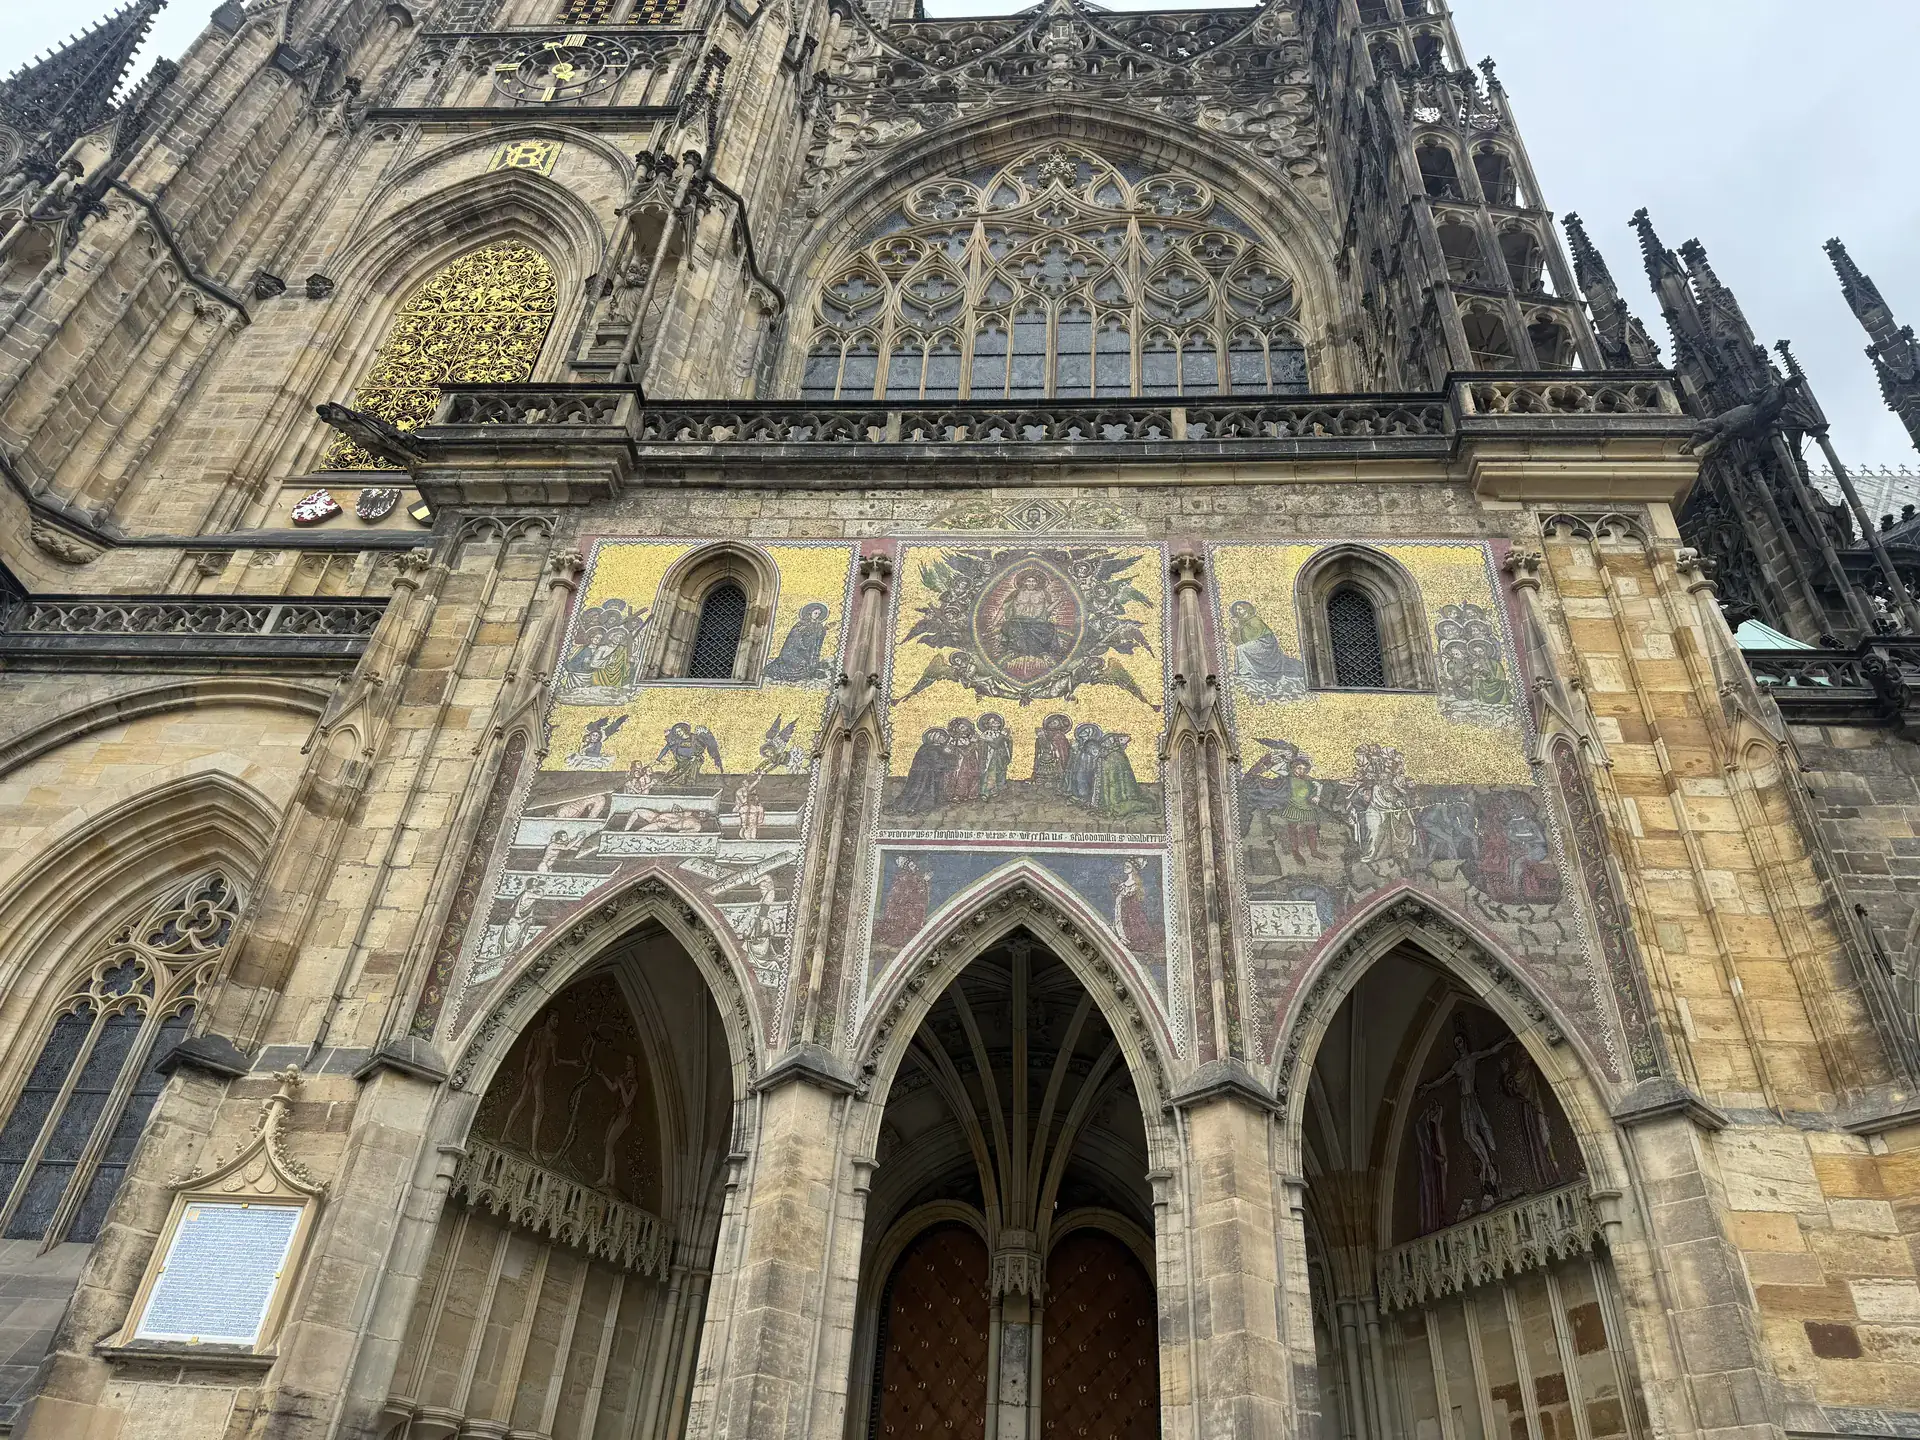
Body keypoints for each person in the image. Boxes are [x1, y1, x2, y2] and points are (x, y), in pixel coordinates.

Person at [1227, 600, 1307, 700]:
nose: (1238, 611)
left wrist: (1239, 627)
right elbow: (1239, 640)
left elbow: (1252, 637)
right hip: (1258, 644)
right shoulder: (1243, 623)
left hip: (1265, 644)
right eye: (1236, 610)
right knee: (1241, 648)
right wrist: (1236, 628)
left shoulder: (1254, 620)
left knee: (1241, 649)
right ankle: (1247, 672)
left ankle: (1246, 672)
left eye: (1240, 609)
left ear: (1246, 609)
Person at [998, 570, 1067, 661]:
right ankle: (1013, 652)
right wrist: (994, 622)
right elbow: (1004, 608)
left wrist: (1058, 601)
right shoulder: (1016, 593)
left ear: (1037, 583)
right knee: (1013, 628)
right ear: (1024, 582)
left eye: (1033, 581)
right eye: (1029, 581)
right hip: (1017, 620)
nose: (1031, 583)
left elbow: (1047, 610)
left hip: (1037, 622)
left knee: (1047, 628)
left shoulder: (1043, 593)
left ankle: (1043, 653)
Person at [763, 602, 833, 682]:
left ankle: (811, 669)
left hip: (807, 653)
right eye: (815, 613)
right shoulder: (801, 625)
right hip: (793, 653)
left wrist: (825, 629)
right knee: (801, 667)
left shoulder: (818, 626)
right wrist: (805, 642)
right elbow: (793, 639)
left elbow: (818, 637)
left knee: (809, 666)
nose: (817, 615)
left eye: (819, 614)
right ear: (810, 613)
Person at [874, 857, 933, 949]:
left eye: (914, 865)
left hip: (910, 903)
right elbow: (904, 891)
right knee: (906, 916)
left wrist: (925, 881)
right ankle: (904, 934)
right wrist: (923, 881)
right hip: (901, 905)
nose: (914, 867)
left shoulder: (914, 876)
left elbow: (919, 890)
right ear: (907, 867)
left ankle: (912, 932)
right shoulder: (904, 876)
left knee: (917, 909)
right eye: (911, 865)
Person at [1092, 732, 1154, 819]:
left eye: (1109, 740)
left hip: (1120, 791)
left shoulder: (1116, 755)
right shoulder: (1108, 754)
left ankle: (1114, 803)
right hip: (1110, 789)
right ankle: (1110, 803)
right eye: (1105, 741)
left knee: (1118, 805)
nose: (1106, 743)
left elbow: (1122, 776)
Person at [897, 728, 955, 812]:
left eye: (944, 736)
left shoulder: (934, 748)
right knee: (922, 791)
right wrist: (949, 756)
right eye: (942, 736)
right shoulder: (929, 749)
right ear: (935, 737)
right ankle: (918, 807)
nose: (944, 738)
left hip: (931, 774)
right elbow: (937, 762)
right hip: (925, 776)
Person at [1032, 714, 1073, 793]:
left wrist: (1042, 737)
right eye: (1051, 722)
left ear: (1060, 725)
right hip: (1043, 761)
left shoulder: (1059, 736)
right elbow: (1039, 750)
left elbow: (1052, 748)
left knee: (1054, 778)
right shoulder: (1046, 734)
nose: (1052, 724)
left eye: (1055, 723)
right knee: (1041, 777)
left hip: (1055, 761)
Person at [1066, 722, 1104, 806]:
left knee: (1085, 779)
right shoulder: (1078, 743)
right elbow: (1074, 753)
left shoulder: (1092, 743)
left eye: (1087, 730)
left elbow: (1096, 753)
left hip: (1088, 765)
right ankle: (1077, 795)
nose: (1084, 732)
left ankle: (1085, 797)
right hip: (1078, 764)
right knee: (1076, 778)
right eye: (1083, 730)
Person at [978, 713, 1012, 799]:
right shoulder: (986, 734)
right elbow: (994, 745)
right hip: (990, 757)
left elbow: (1006, 745)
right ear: (987, 724)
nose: (995, 724)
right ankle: (986, 792)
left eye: (997, 722)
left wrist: (1007, 740)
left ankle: (998, 789)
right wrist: (1001, 737)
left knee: (1001, 771)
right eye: (992, 722)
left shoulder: (1001, 733)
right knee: (990, 773)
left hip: (1000, 756)